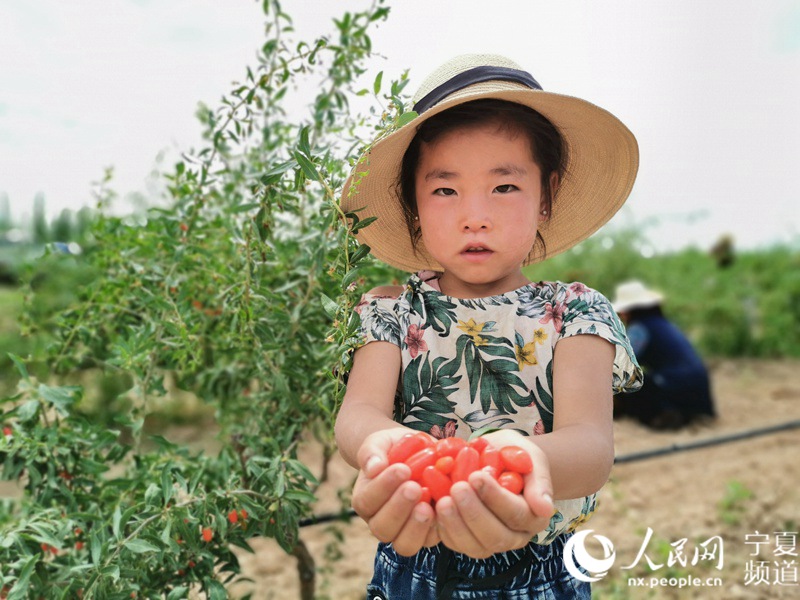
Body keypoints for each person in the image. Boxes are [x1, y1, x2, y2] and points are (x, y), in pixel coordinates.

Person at [334, 54, 643, 600]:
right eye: (445, 190)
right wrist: (398, 453)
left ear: (544, 197)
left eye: (503, 188)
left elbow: (592, 447)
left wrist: (510, 458)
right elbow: (358, 415)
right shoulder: (392, 312)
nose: (474, 215)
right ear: (413, 206)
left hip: (543, 570)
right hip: (414, 563)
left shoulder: (574, 314)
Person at [612, 280, 716, 430]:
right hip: (697, 390)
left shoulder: (639, 329)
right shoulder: (665, 324)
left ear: (627, 311)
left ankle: (662, 414)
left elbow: (622, 363)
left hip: (672, 385)